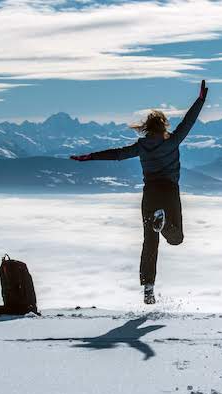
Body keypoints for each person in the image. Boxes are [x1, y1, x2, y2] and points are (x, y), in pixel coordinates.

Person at [70, 80, 209, 304]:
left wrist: (89, 157)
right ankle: (164, 225)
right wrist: (200, 100)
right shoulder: (173, 141)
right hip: (169, 192)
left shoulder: (141, 146)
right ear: (163, 126)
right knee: (176, 239)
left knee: (149, 243)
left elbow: (116, 154)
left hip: (150, 194)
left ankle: (148, 288)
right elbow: (188, 122)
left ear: (147, 127)